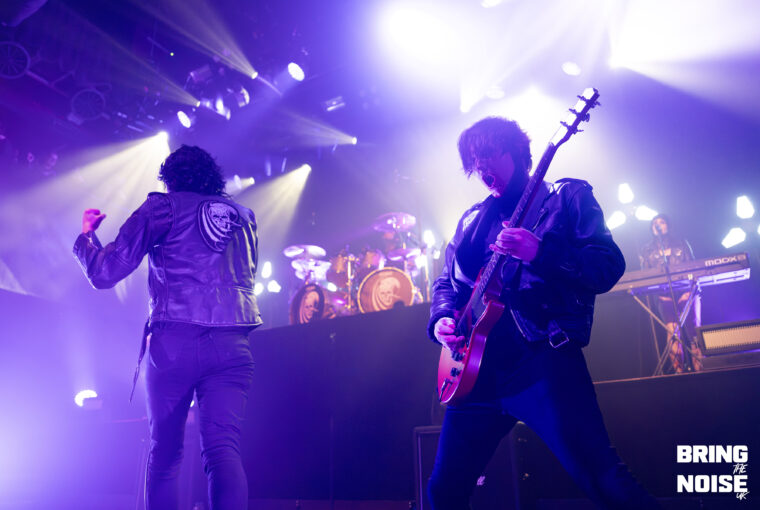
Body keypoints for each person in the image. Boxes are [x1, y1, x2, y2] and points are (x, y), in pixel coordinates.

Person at [427, 117, 660, 509]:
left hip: (541, 362)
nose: (481, 167)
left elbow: (607, 266)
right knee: (443, 491)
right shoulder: (471, 220)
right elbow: (446, 283)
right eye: (474, 161)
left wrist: (540, 252)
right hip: (475, 375)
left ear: (518, 153)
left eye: (488, 155)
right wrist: (441, 319)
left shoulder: (565, 197)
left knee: (604, 480)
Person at [73, 145, 261, 510]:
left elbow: (105, 273)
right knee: (223, 449)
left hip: (175, 341)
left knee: (165, 453)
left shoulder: (162, 207)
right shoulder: (245, 217)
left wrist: (87, 237)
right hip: (233, 344)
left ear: (169, 179)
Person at [639, 214, 702, 373]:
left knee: (693, 331)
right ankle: (679, 372)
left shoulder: (681, 243)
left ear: (668, 225)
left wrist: (689, 290)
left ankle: (701, 370)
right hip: (664, 294)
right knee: (672, 331)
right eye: (654, 223)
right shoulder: (647, 250)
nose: (657, 225)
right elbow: (645, 275)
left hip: (686, 291)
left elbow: (694, 267)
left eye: (661, 222)